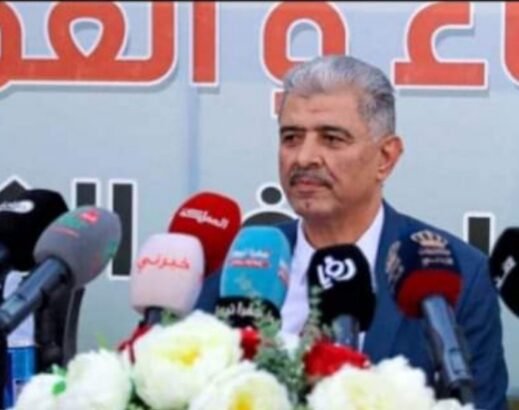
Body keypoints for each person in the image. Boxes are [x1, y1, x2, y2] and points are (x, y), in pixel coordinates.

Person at [195, 55, 508, 409]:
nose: (304, 157)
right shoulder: (239, 265)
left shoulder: (461, 275)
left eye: (331, 139)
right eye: (291, 137)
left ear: (385, 158)